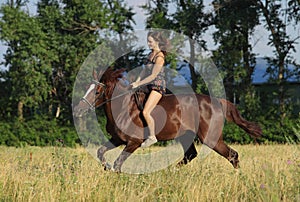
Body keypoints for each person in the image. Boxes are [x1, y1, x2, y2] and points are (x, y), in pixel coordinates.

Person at [130, 31, 169, 148]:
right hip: (147, 86)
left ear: (157, 42)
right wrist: (136, 82)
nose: (148, 44)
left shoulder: (160, 57)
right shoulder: (150, 54)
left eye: (150, 41)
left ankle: (152, 136)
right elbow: (143, 71)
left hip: (157, 86)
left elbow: (153, 76)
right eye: (148, 41)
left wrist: (139, 84)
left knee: (145, 112)